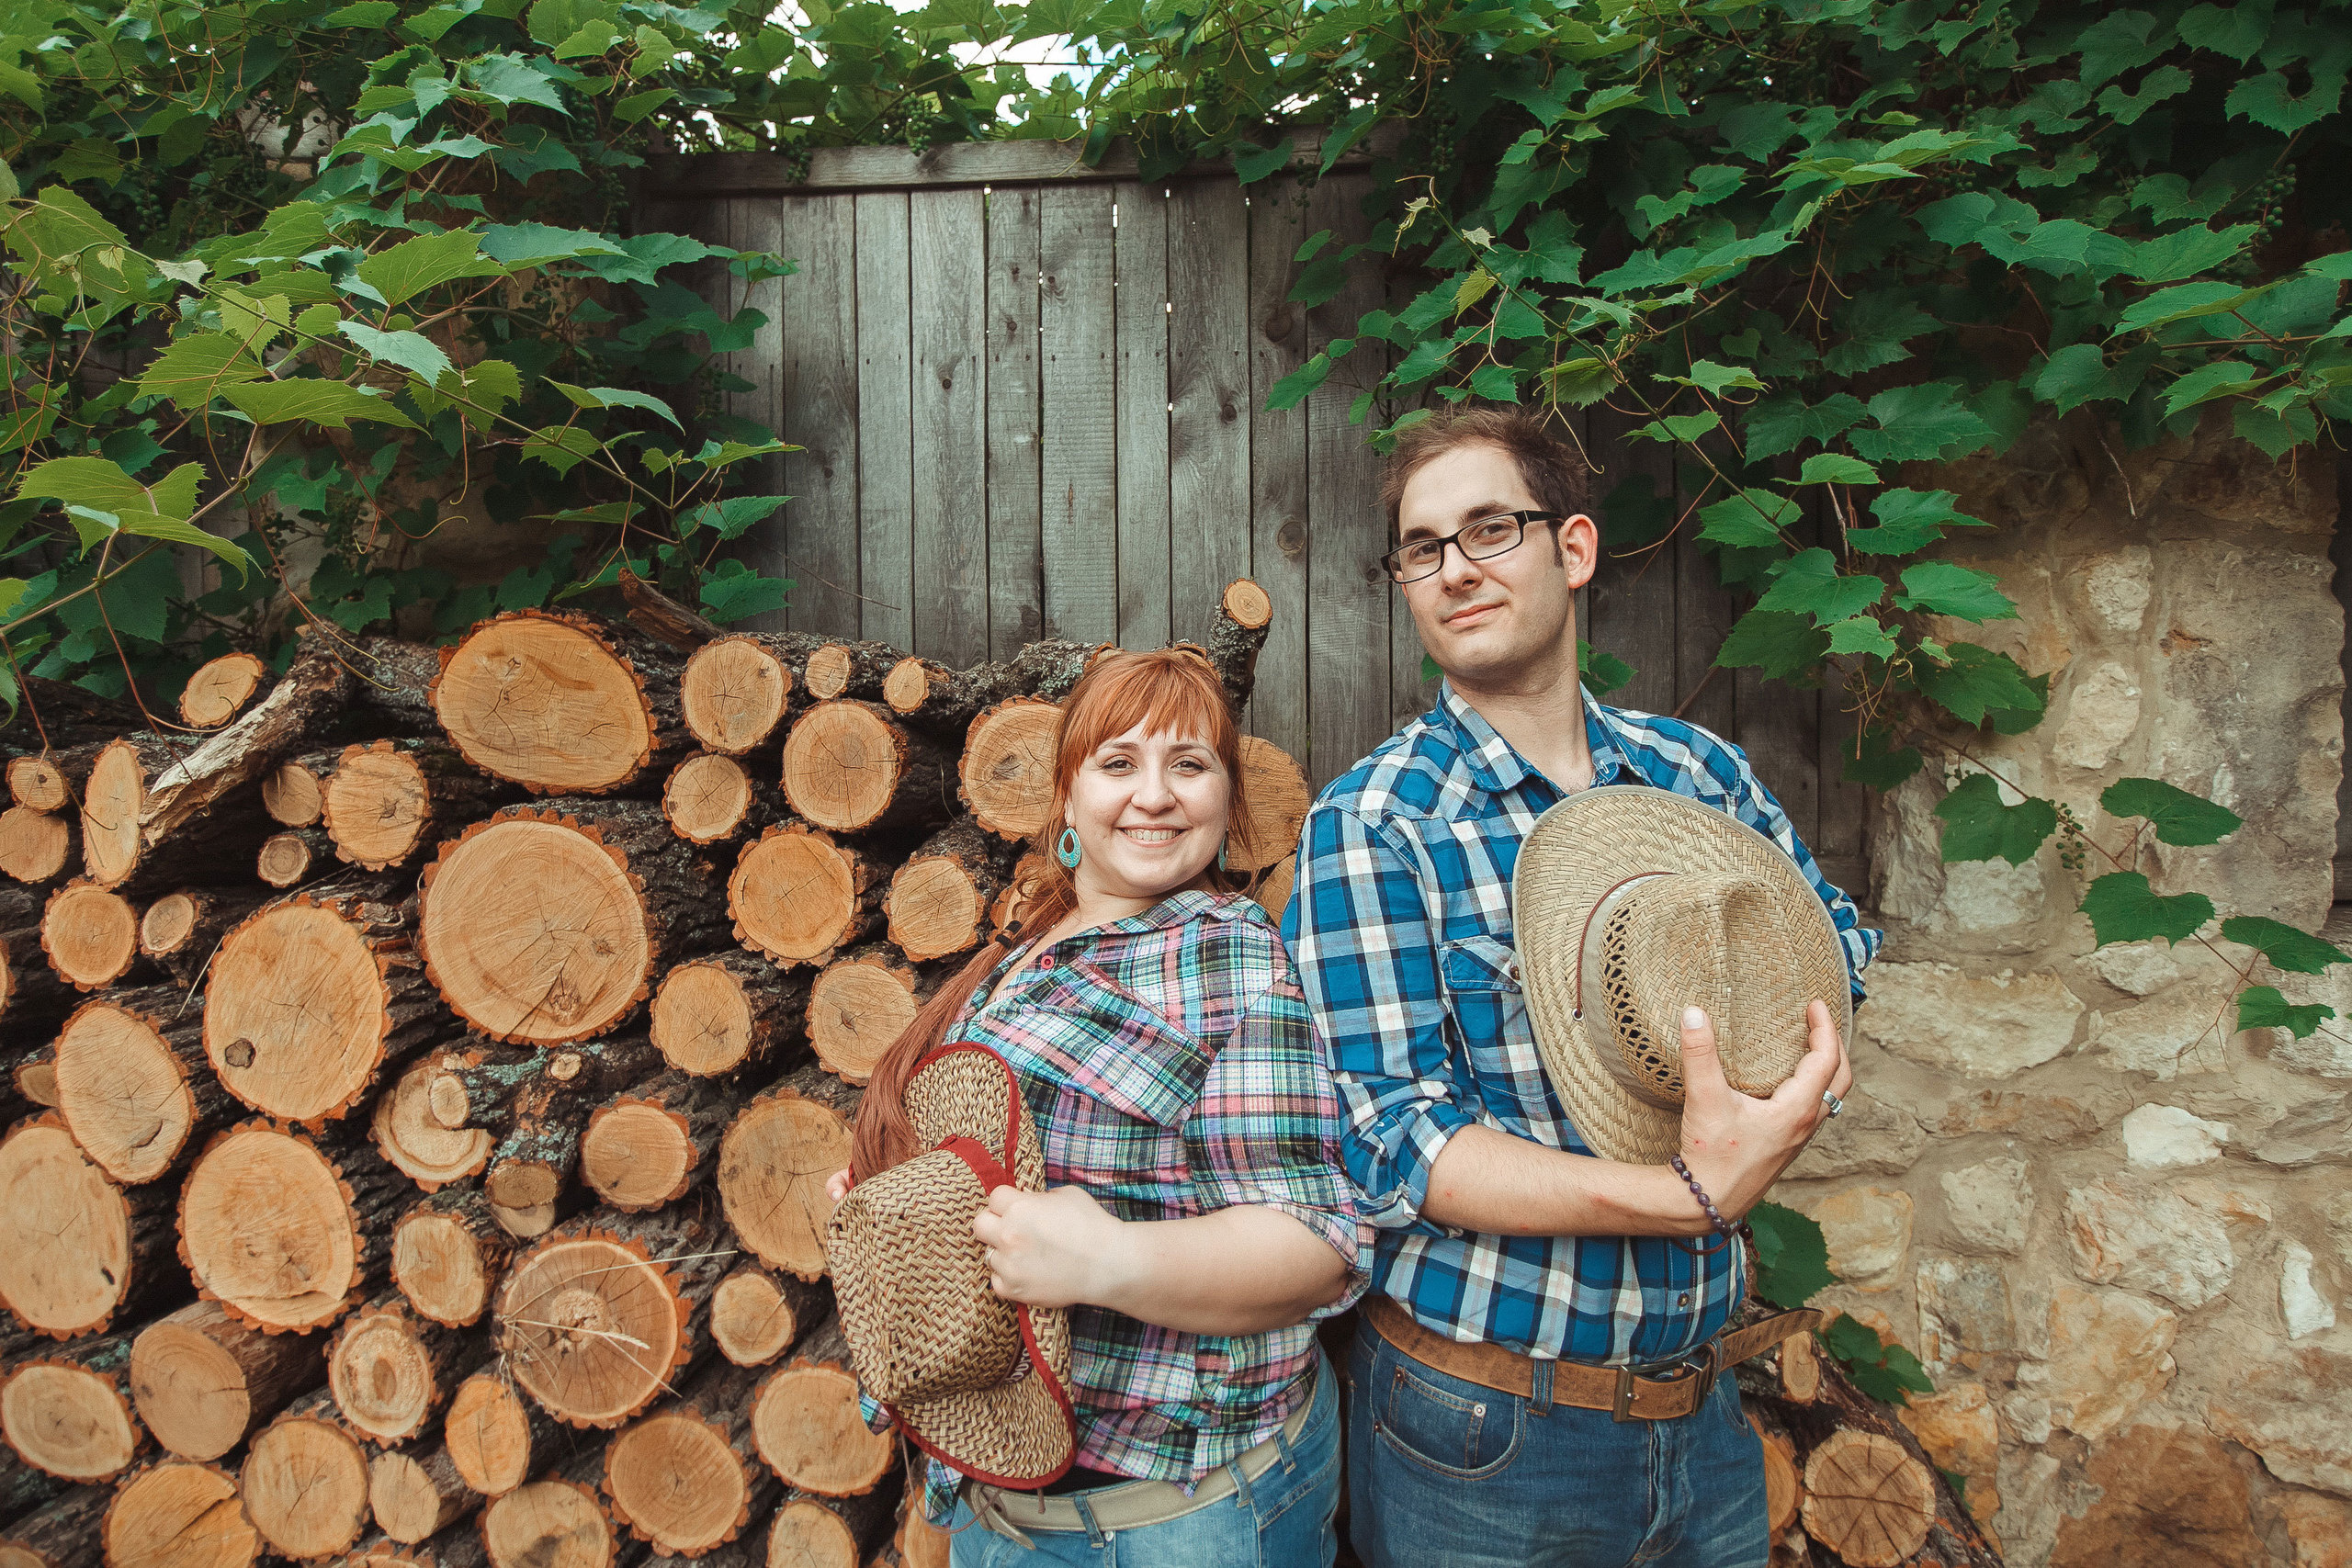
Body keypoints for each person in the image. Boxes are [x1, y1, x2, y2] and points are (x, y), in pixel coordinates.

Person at [1282, 409, 1877, 1568]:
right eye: (1421, 547)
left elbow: (1836, 950)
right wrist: (1691, 1191)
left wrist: (1784, 1096)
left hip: (1700, 1412)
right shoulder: (1375, 822)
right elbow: (1390, 1142)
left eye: (1490, 529)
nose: (1454, 569)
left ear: (1575, 549)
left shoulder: (1698, 774)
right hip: (1486, 1432)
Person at [830, 646, 1367, 1568]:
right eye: (1118, 764)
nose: (1153, 795)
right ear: (1068, 798)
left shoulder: (1226, 963)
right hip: (998, 1501)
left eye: (1188, 766)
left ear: (1227, 802)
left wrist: (1111, 1259)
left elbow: (1319, 1252)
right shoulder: (1037, 935)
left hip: (1169, 1520)